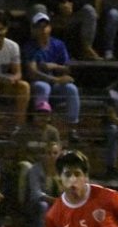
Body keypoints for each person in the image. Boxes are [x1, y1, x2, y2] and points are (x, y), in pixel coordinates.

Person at [23, 12, 81, 141]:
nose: (43, 30)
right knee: (43, 87)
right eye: (39, 27)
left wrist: (53, 66)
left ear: (50, 27)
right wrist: (56, 79)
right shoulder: (30, 47)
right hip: (37, 84)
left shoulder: (58, 44)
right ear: (33, 29)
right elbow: (32, 72)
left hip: (56, 86)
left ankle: (73, 129)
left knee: (72, 89)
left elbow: (67, 68)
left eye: (45, 26)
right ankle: (40, 125)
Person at [29, 0, 102, 60]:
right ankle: (39, 49)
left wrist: (72, 6)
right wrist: (58, 6)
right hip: (49, 8)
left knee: (89, 11)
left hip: (70, 11)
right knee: (39, 8)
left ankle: (86, 48)